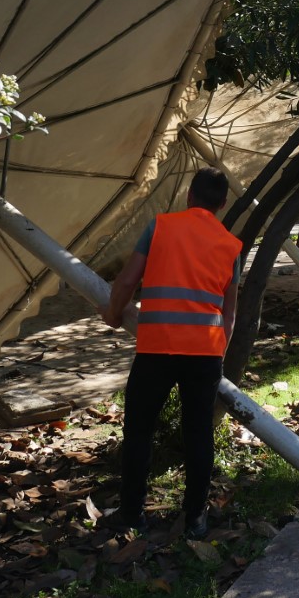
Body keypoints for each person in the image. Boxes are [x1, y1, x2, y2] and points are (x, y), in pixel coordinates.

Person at [103, 166, 242, 540]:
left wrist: (114, 314)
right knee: (198, 434)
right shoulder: (231, 246)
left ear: (189, 196)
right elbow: (229, 314)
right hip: (204, 355)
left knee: (139, 432)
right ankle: (195, 517)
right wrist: (218, 353)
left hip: (157, 349)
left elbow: (128, 280)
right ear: (222, 204)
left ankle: (132, 513)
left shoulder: (160, 227)